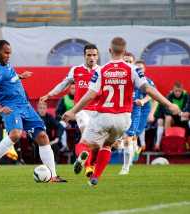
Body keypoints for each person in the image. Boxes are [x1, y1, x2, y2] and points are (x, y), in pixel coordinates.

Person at [62, 37, 180, 187]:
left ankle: (83, 157)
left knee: (84, 144)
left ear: (110, 51)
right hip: (124, 119)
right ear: (124, 51)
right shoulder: (133, 69)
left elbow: (90, 94)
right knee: (108, 145)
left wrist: (73, 111)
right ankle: (95, 177)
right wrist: (169, 104)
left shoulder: (102, 70)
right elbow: (148, 89)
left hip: (104, 116)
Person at [0, 40, 66, 182]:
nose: (9, 56)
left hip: (25, 106)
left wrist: (19, 76)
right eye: (6, 53)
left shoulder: (5, 64)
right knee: (15, 134)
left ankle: (53, 176)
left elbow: (7, 78)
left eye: (10, 53)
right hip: (11, 106)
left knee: (43, 137)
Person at [40, 43, 100, 177]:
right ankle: (89, 166)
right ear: (84, 56)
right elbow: (63, 84)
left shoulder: (101, 71)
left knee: (94, 144)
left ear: (97, 56)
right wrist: (49, 94)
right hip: (81, 110)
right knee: (86, 132)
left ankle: (86, 163)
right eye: (89, 55)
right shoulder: (76, 70)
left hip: (97, 111)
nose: (91, 58)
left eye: (94, 55)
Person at [119, 56, 155, 175]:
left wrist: (144, 102)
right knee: (127, 137)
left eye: (130, 61)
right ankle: (133, 150)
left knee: (131, 135)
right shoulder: (118, 78)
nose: (128, 63)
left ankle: (127, 166)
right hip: (120, 111)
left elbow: (152, 95)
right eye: (126, 61)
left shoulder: (143, 80)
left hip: (137, 109)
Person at [154, 81, 188, 150]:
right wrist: (175, 112)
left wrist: (181, 113)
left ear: (182, 90)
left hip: (181, 116)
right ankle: (164, 142)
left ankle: (186, 141)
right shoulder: (168, 96)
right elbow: (166, 110)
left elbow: (187, 108)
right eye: (176, 91)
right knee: (165, 119)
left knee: (185, 118)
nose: (178, 93)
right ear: (173, 90)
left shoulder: (186, 96)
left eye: (179, 91)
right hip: (171, 117)